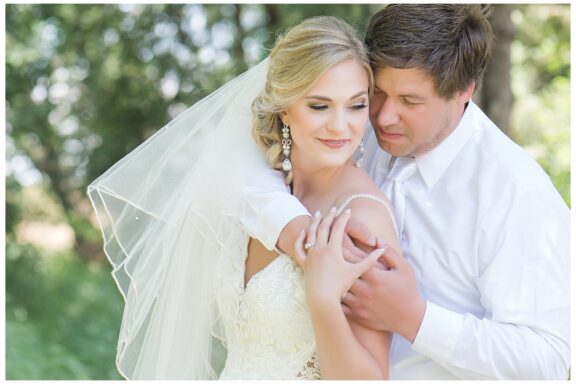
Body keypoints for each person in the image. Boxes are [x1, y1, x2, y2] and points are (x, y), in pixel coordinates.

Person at [241, 4, 571, 380]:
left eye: (410, 101)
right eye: (377, 93)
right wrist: (295, 227)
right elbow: (248, 166)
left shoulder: (515, 192)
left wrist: (415, 318)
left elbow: (548, 360)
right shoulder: (351, 121)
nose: (382, 117)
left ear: (464, 90)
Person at [89, 16, 398, 379]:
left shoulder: (361, 220)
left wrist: (323, 301)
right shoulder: (261, 188)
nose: (340, 125)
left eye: (356, 105)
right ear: (285, 107)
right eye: (319, 105)